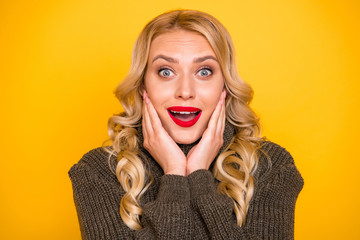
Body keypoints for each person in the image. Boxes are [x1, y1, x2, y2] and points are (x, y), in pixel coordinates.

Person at [68, 9, 304, 240]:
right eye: (166, 71)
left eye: (204, 71)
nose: (185, 92)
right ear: (142, 85)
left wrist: (200, 176)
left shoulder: (271, 167)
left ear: (225, 85)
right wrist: (174, 173)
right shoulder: (98, 172)